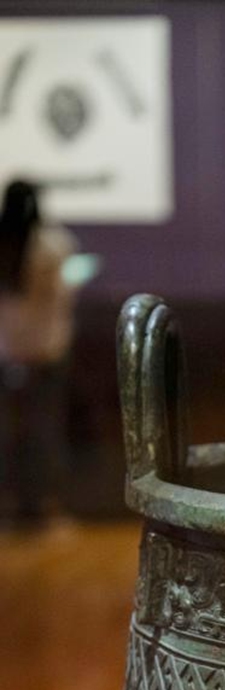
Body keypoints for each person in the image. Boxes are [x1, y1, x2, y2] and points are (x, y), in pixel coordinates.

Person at [0, 179, 78, 524]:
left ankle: (15, 505)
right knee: (43, 433)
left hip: (6, 353)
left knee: (12, 434)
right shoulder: (53, 245)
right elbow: (65, 291)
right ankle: (42, 507)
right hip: (47, 353)